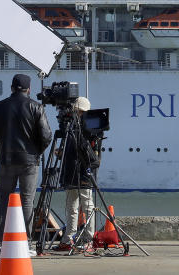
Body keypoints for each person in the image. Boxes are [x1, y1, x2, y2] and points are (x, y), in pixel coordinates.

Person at [0, 73, 52, 240]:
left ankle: (0, 241)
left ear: (12, 88)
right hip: (29, 161)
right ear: (29, 89)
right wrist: (37, 151)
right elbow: (46, 136)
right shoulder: (36, 107)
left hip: (6, 160)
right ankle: (26, 241)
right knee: (27, 201)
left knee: (4, 200)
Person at [56, 96, 100, 252]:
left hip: (83, 173)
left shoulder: (89, 128)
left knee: (87, 206)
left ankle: (89, 240)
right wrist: (61, 154)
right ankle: (68, 239)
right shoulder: (71, 127)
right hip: (71, 172)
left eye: (76, 111)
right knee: (72, 206)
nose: (74, 113)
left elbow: (90, 154)